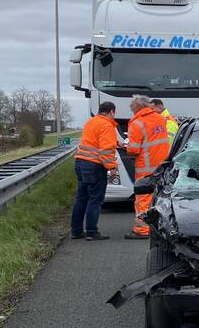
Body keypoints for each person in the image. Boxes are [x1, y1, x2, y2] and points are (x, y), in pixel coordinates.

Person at [71, 101, 119, 241]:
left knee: (81, 198)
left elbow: (94, 141)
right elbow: (105, 151)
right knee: (95, 199)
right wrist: (112, 168)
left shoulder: (90, 122)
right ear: (111, 112)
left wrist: (116, 143)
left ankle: (76, 231)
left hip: (80, 162)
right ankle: (92, 232)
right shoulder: (107, 125)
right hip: (94, 166)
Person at [124, 95, 170, 239]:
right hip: (162, 165)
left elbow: (133, 149)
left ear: (136, 109)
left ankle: (142, 229)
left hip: (146, 167)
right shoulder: (160, 118)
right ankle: (160, 226)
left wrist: (125, 145)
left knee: (143, 198)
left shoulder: (137, 123)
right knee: (159, 196)